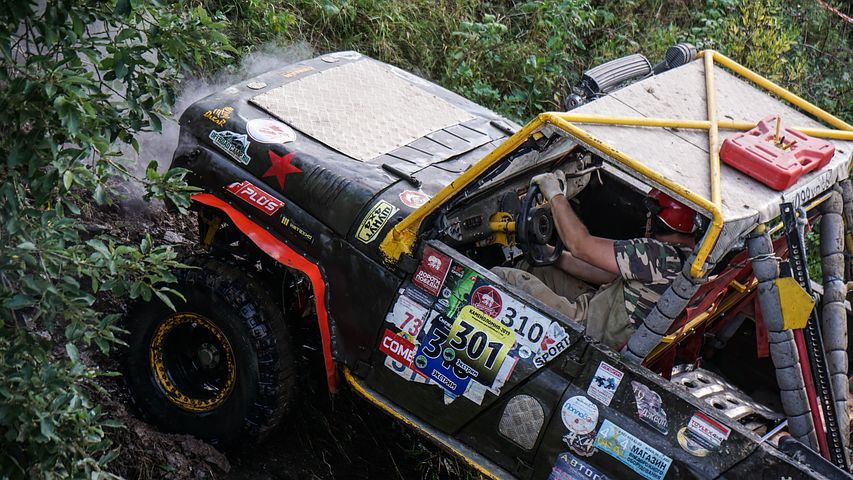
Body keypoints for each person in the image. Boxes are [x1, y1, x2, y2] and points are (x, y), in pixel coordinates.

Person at [493, 170, 697, 348]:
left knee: (501, 276)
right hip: (604, 318)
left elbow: (580, 245)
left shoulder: (656, 255)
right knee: (537, 267)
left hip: (587, 332)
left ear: (658, 216)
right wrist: (547, 252)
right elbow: (604, 273)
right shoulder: (686, 260)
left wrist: (554, 195)